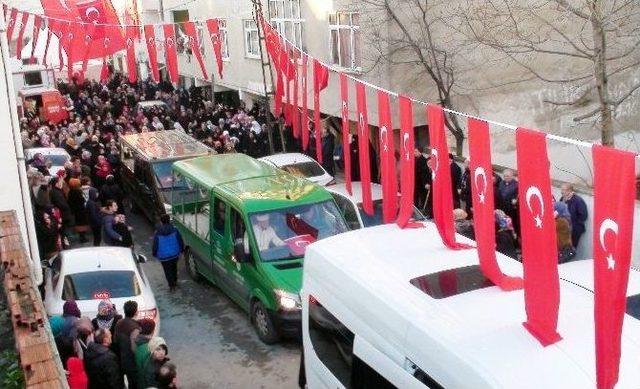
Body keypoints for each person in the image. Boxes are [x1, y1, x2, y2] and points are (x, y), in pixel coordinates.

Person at [152, 214, 184, 291]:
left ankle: (171, 285)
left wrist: (154, 253)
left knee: (167, 270)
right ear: (169, 220)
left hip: (163, 256)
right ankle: (175, 281)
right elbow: (180, 240)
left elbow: (155, 244)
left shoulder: (157, 233)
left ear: (161, 222)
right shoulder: (175, 230)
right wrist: (182, 250)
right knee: (174, 268)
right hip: (174, 253)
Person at [113, 300, 141, 389]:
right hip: (132, 363)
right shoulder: (135, 328)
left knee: (130, 383)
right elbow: (134, 349)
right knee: (136, 384)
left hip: (122, 360)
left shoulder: (119, 322)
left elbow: (115, 340)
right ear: (136, 312)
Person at [560, 183, 588, 248]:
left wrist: (573, 224)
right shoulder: (562, 198)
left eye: (563, 190)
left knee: (570, 248)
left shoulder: (578, 200)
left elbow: (584, 215)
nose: (561, 192)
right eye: (561, 189)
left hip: (574, 229)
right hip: (565, 228)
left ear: (569, 191)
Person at [497, 169, 520, 238]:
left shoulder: (516, 185)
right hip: (502, 208)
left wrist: (515, 201)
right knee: (502, 224)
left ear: (512, 176)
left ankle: (512, 240)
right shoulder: (501, 183)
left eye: (507, 176)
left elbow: (518, 197)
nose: (505, 178)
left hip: (511, 210)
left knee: (511, 226)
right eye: (504, 176)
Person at [134, 319, 157, 387]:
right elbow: (150, 374)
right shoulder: (149, 349)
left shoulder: (138, 343)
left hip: (141, 381)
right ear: (153, 331)